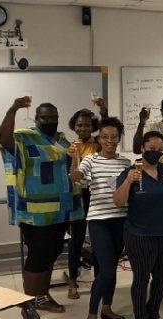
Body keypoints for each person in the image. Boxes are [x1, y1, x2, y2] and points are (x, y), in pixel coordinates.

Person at [0, 98, 84, 319]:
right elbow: (3, 139)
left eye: (54, 117)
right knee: (37, 258)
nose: (50, 121)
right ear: (36, 119)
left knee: (51, 255)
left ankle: (42, 297)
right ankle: (28, 309)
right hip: (35, 213)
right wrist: (14, 109)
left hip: (61, 210)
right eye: (45, 117)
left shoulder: (62, 140)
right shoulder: (25, 137)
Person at [70, 117, 132, 319]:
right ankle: (91, 316)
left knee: (111, 268)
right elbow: (77, 177)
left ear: (119, 138)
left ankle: (107, 308)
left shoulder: (125, 163)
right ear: (99, 139)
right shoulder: (90, 160)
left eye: (114, 137)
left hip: (121, 220)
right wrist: (74, 160)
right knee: (105, 270)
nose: (109, 141)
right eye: (105, 137)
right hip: (99, 221)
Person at [114, 131, 163, 319]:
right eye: (151, 149)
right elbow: (118, 201)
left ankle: (154, 313)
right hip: (139, 234)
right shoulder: (131, 172)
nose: (155, 152)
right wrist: (128, 181)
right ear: (142, 148)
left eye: (159, 149)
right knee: (142, 277)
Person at [64, 108, 99, 300]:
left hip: (96, 195)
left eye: (87, 125)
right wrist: (70, 156)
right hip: (77, 196)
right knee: (76, 239)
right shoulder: (70, 146)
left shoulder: (99, 144)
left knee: (97, 238)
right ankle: (72, 281)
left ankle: (99, 280)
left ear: (93, 127)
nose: (83, 128)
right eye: (79, 125)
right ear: (74, 126)